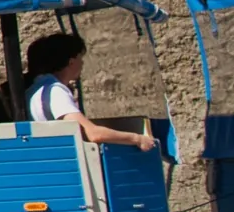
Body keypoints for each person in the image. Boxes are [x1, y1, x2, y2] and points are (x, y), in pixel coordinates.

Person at [23, 32, 158, 151]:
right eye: (80, 58)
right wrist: (137, 139)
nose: (82, 63)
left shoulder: (37, 87)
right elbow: (93, 134)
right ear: (72, 61)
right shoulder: (55, 91)